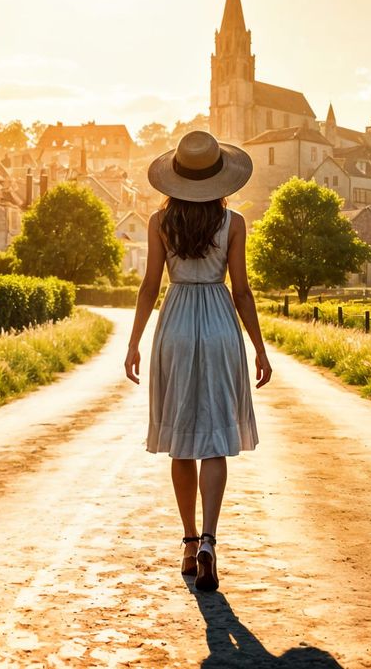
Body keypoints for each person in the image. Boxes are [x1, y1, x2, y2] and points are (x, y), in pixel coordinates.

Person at [125, 130, 272, 593]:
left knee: (181, 442)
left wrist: (133, 343)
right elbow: (243, 291)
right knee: (214, 440)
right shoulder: (234, 223)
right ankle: (210, 541)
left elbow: (150, 285)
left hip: (176, 323)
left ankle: (188, 542)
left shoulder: (158, 222)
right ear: (219, 178)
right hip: (220, 323)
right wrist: (259, 347)